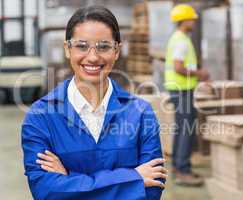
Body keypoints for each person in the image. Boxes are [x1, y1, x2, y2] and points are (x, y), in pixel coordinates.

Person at [21, 6, 167, 200]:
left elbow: (151, 190)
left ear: (116, 51)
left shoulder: (141, 113)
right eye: (82, 46)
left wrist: (69, 179)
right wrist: (134, 179)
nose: (92, 57)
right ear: (67, 49)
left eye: (103, 46)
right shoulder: (40, 116)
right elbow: (46, 192)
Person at [164, 4, 209, 186]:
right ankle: (182, 171)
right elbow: (178, 67)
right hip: (182, 91)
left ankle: (178, 166)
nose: (193, 22)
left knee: (181, 128)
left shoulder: (179, 38)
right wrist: (200, 74)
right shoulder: (181, 40)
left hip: (180, 90)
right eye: (191, 19)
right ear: (184, 20)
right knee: (186, 130)